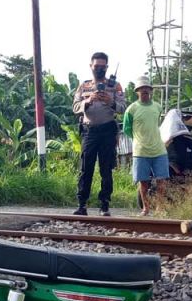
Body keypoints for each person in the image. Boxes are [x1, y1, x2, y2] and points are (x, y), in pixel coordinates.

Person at [72, 52, 125, 216]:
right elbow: (74, 108)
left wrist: (111, 102)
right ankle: (82, 204)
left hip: (108, 130)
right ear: (91, 66)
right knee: (86, 168)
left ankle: (104, 205)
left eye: (103, 67)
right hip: (89, 131)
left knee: (106, 168)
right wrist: (88, 101)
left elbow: (123, 108)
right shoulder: (84, 86)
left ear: (107, 67)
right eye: (97, 67)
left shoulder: (115, 86)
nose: (100, 70)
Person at [122, 77, 168, 216]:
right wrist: (138, 139)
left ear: (151, 91)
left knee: (161, 182)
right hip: (140, 151)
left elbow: (156, 124)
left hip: (159, 150)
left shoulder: (157, 107)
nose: (145, 91)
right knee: (143, 183)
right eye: (142, 89)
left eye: (147, 88)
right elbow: (126, 129)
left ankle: (160, 208)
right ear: (137, 91)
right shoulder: (131, 109)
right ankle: (146, 208)